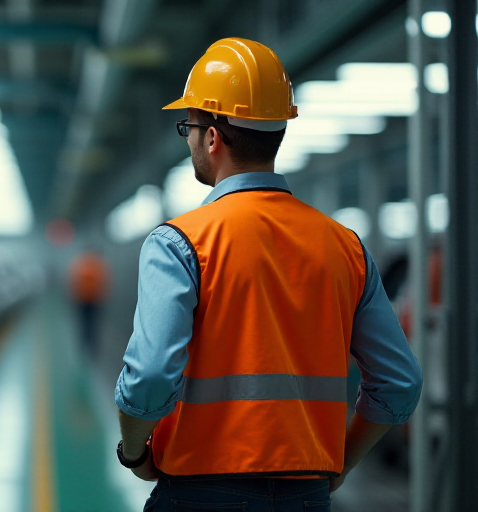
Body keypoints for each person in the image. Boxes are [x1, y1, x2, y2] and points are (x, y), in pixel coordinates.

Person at [114, 38, 423, 511]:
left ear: (213, 136)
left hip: (200, 495)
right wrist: (339, 461)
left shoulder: (181, 243)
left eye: (189, 126)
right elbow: (399, 382)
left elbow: (151, 376)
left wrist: (134, 451)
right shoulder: (345, 247)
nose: (190, 138)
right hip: (307, 496)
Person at [70, 248, 110, 358]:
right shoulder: (97, 266)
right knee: (93, 325)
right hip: (94, 301)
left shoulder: (80, 265)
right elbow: (103, 283)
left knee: (84, 324)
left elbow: (74, 282)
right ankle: (92, 347)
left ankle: (84, 347)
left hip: (82, 301)